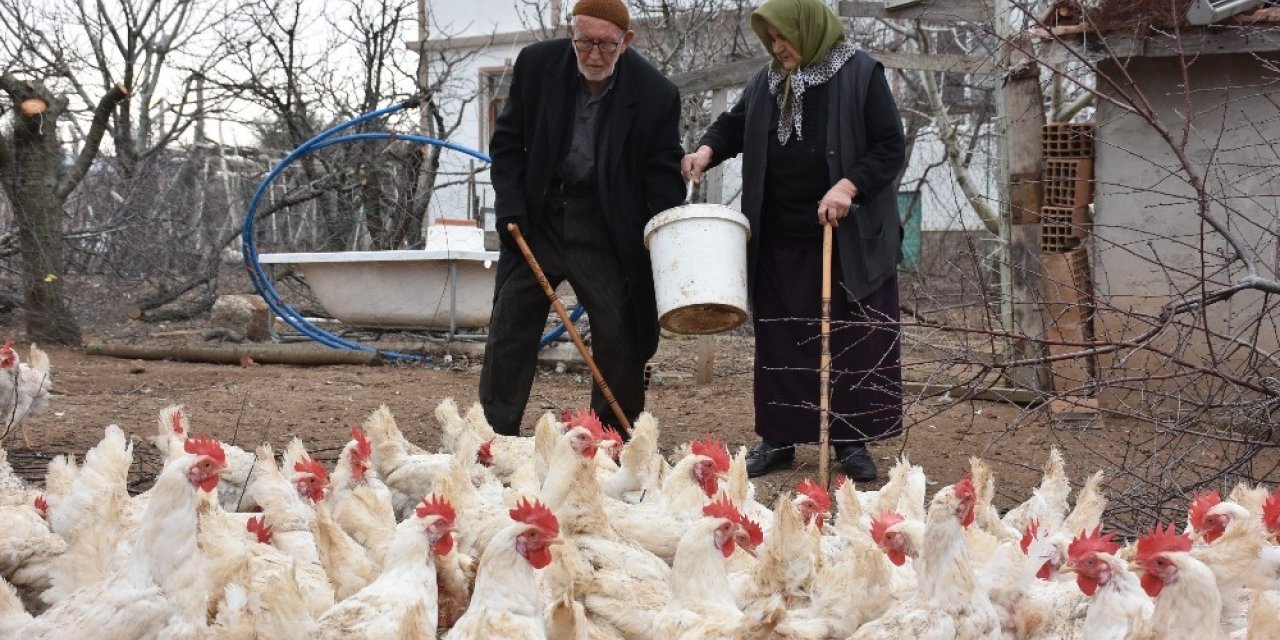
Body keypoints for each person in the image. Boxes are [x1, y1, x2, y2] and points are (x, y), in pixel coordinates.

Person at [682, 0, 906, 480]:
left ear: (810, 29)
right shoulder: (766, 82)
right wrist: (705, 150)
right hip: (780, 236)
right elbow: (736, 125)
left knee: (850, 339)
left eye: (784, 36)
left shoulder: (861, 74)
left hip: (845, 239)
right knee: (782, 337)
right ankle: (779, 437)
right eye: (771, 38)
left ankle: (850, 439)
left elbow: (890, 145)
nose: (777, 47)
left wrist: (850, 185)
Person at [480, 0, 686, 439]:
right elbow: (508, 144)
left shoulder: (655, 94)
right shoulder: (538, 66)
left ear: (626, 41)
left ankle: (611, 441)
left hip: (606, 223)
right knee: (511, 322)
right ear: (571, 33)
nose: (594, 55)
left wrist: (655, 232)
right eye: (584, 42)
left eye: (606, 46)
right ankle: (494, 437)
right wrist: (511, 207)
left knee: (618, 328)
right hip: (540, 214)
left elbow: (663, 174)